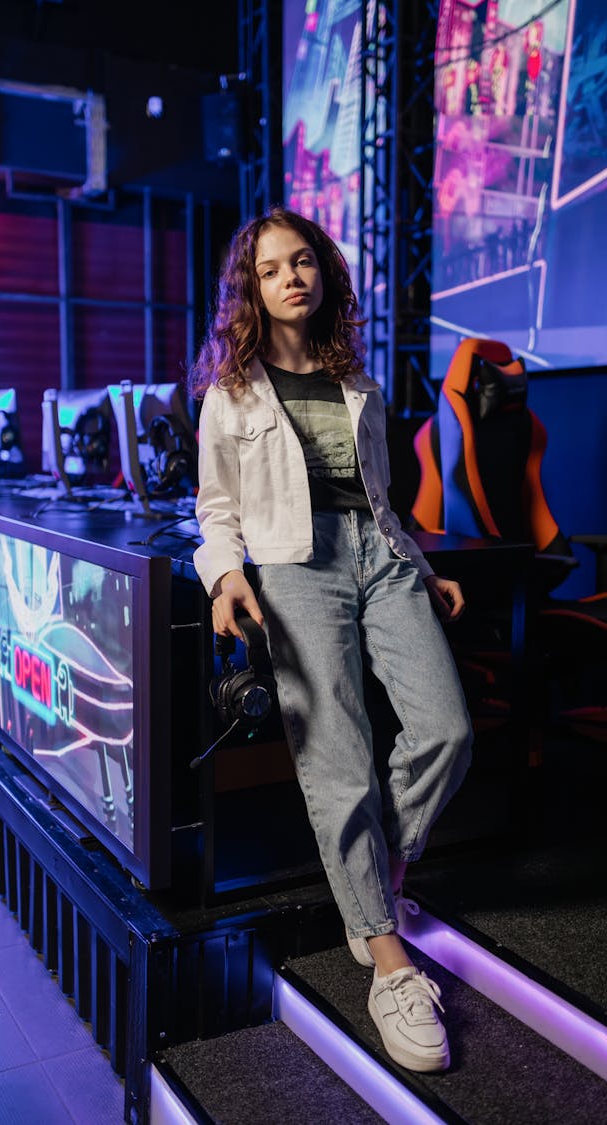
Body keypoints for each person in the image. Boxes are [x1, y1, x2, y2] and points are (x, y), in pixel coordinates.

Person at [190, 207, 472, 1073]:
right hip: (292, 569)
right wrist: (225, 575)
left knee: (447, 730)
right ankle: (387, 959)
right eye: (272, 270)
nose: (291, 279)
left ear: (324, 274)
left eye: (303, 262)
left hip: (378, 559)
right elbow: (215, 508)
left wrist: (421, 567)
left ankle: (372, 875)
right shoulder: (229, 392)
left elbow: (379, 498)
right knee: (338, 760)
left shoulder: (358, 378)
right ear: (253, 289)